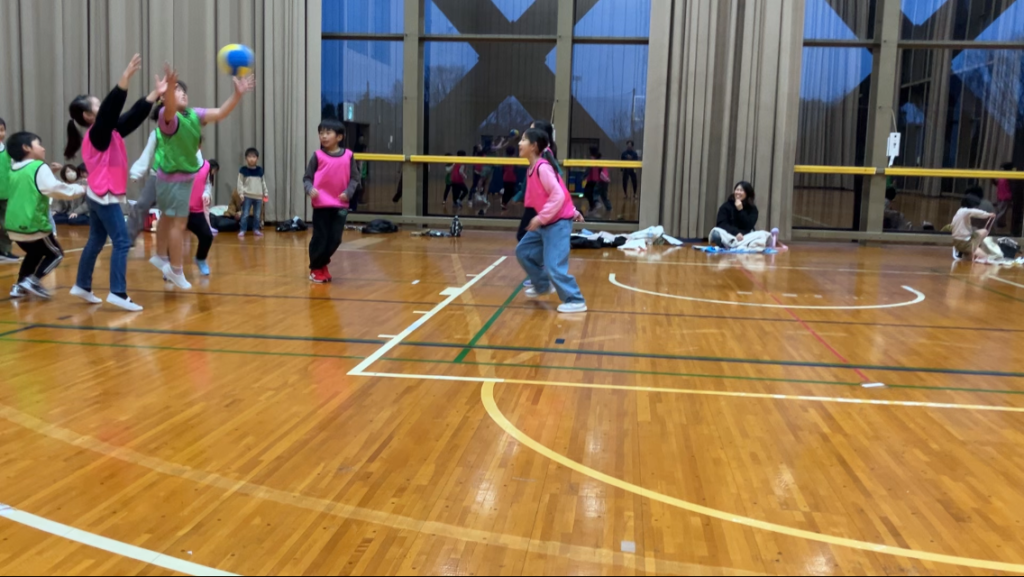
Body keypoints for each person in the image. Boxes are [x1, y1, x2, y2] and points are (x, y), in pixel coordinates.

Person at [65, 54, 162, 312]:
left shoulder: (108, 131)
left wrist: (155, 94)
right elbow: (111, 110)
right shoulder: (98, 133)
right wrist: (124, 79)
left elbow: (131, 116)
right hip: (104, 195)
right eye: (97, 105)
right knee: (121, 241)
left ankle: (82, 285)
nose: (103, 107)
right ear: (88, 116)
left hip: (97, 195)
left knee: (96, 240)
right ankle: (118, 292)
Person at [151, 65, 254, 290]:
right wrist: (169, 90)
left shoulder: (193, 114)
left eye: (182, 90)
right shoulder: (167, 117)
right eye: (176, 90)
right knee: (177, 225)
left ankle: (165, 261)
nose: (182, 93)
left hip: (182, 179)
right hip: (171, 179)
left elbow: (221, 113)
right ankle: (174, 269)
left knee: (176, 224)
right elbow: (169, 109)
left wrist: (237, 95)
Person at [4, 132, 85, 299]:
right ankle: (33, 281)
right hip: (33, 225)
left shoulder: (13, 168)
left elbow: (32, 185)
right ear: (26, 148)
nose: (43, 148)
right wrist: (82, 188)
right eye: (38, 144)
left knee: (34, 254)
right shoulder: (39, 167)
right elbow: (56, 189)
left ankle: (19, 286)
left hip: (13, 226)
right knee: (56, 254)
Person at [515, 128, 587, 314]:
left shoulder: (543, 168)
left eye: (523, 140)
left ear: (533, 146)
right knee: (523, 251)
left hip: (557, 224)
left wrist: (542, 217)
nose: (519, 143)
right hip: (546, 223)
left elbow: (558, 195)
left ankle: (575, 299)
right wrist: (572, 210)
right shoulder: (533, 168)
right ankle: (542, 285)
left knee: (554, 265)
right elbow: (558, 191)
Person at [127, 99, 204, 242]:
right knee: (142, 204)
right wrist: (136, 172)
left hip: (177, 179)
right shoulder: (156, 134)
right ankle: (127, 238)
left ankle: (171, 245)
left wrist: (196, 167)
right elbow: (147, 153)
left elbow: (194, 152)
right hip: (157, 176)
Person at [303, 117, 358, 283]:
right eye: (321, 133)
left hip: (340, 205)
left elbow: (355, 179)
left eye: (328, 133)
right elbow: (307, 178)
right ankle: (316, 268)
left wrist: (348, 193)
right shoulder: (317, 156)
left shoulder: (348, 156)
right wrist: (310, 189)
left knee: (335, 239)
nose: (324, 136)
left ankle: (322, 263)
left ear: (339, 137)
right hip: (321, 205)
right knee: (320, 237)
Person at [187, 160, 215, 275]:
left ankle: (200, 258)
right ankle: (170, 265)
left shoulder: (206, 166)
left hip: (196, 211)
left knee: (207, 236)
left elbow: (207, 184)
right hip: (178, 210)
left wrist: (207, 194)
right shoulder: (178, 160)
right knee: (174, 237)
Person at [712, 182, 758, 247]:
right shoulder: (726, 206)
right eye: (737, 190)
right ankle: (734, 246)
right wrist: (736, 233)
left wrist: (740, 210)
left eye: (741, 190)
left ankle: (738, 246)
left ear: (747, 193)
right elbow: (722, 224)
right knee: (715, 233)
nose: (738, 192)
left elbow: (749, 226)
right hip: (729, 235)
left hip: (745, 236)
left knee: (763, 235)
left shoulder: (752, 208)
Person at [952, 196, 997, 261]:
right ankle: (971, 251)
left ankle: (969, 251)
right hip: (964, 242)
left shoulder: (960, 212)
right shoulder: (965, 211)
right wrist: (988, 214)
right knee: (986, 257)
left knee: (984, 231)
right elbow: (976, 212)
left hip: (962, 240)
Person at [237, 147, 268, 238]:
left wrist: (265, 192)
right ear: (246, 158)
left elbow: (263, 182)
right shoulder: (243, 170)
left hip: (258, 196)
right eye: (249, 157)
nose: (251, 159)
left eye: (254, 157)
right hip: (247, 196)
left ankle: (256, 229)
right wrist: (241, 194)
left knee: (257, 215)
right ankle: (242, 230)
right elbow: (240, 183)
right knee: (245, 214)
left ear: (257, 158)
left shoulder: (260, 170)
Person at [0, 116, 18, 263]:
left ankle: (5, 251)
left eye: (1, 130)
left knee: (6, 224)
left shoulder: (8, 152)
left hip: (6, 194)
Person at [994, 162, 1014, 228]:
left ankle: (997, 222)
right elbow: (997, 184)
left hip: (1005, 197)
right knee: (1001, 211)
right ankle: (999, 223)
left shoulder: (1007, 177)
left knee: (1002, 211)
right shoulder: (1003, 176)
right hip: (1001, 196)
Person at [500, 146, 519, 211]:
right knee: (511, 192)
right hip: (512, 178)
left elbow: (502, 168)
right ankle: (505, 203)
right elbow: (516, 168)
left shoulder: (505, 159)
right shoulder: (515, 159)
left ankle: (504, 203)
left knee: (506, 191)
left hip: (506, 178)